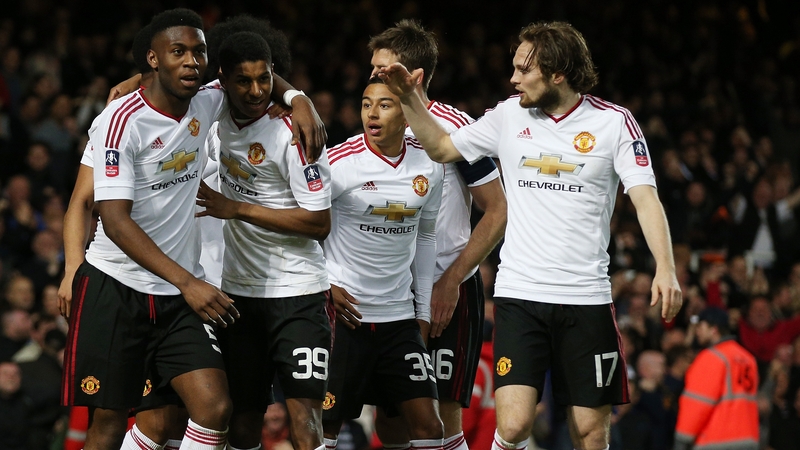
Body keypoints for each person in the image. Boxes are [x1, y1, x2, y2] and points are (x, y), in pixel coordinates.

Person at [379, 20, 682, 450]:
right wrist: (410, 99)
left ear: (558, 72)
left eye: (524, 69)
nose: (513, 78)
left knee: (591, 433)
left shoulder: (614, 123)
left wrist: (665, 269)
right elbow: (443, 148)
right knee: (516, 425)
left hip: (586, 298)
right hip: (521, 295)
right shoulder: (508, 115)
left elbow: (646, 199)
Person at [60, 9, 239, 450]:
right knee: (107, 423)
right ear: (152, 60)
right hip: (117, 286)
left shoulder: (207, 100)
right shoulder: (119, 121)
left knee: (214, 408)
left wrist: (299, 101)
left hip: (176, 297)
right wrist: (71, 267)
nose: (192, 61)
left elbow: (261, 68)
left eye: (199, 51)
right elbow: (112, 219)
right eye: (178, 51)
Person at [365, 20, 507, 450]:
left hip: (449, 291)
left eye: (383, 69)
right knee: (390, 422)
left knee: (442, 419)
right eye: (372, 68)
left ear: (415, 77)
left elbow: (498, 210)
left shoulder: (454, 128)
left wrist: (450, 282)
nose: (372, 76)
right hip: (388, 292)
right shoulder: (371, 127)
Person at [195, 30, 333, 450]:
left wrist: (237, 208)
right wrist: (298, 94)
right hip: (239, 295)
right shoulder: (214, 108)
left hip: (299, 292)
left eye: (264, 78)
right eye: (243, 81)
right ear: (223, 80)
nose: (256, 91)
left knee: (305, 422)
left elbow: (318, 222)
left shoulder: (293, 132)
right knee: (241, 422)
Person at [321, 78, 445, 450]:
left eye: (385, 105)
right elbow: (307, 229)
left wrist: (421, 312)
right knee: (324, 426)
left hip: (398, 318)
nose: (372, 114)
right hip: (345, 317)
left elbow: (425, 238)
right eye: (366, 104)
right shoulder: (338, 162)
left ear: (407, 114)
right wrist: (326, 282)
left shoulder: (430, 166)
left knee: (427, 427)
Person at [674, 307, 759, 450]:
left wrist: (681, 440)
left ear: (714, 329)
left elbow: (697, 403)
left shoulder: (711, 358)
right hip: (747, 440)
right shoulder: (748, 358)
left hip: (716, 440)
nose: (697, 332)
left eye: (701, 326)